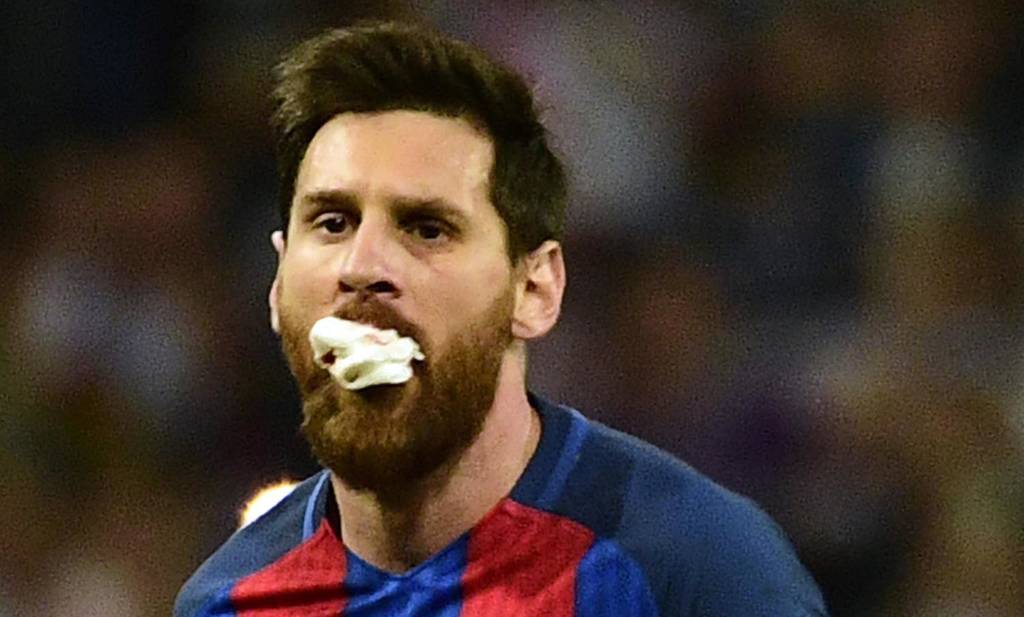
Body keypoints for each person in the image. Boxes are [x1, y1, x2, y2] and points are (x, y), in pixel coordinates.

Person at [175, 21, 828, 616]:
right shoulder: (228, 601)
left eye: (426, 228)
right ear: (278, 282)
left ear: (535, 289)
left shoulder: (695, 571)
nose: (362, 265)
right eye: (332, 222)